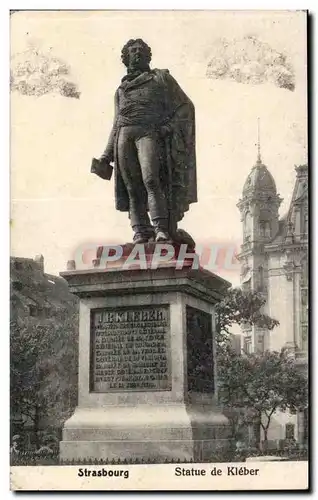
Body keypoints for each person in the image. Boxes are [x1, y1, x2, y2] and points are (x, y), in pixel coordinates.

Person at [97, 39, 197, 243]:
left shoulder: (161, 79)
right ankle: (141, 231)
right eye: (132, 51)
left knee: (151, 180)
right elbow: (116, 123)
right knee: (132, 187)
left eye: (141, 50)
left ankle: (161, 228)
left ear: (148, 56)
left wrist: (167, 128)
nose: (137, 53)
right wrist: (106, 155)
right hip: (124, 135)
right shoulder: (120, 90)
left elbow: (186, 106)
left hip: (148, 132)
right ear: (125, 58)